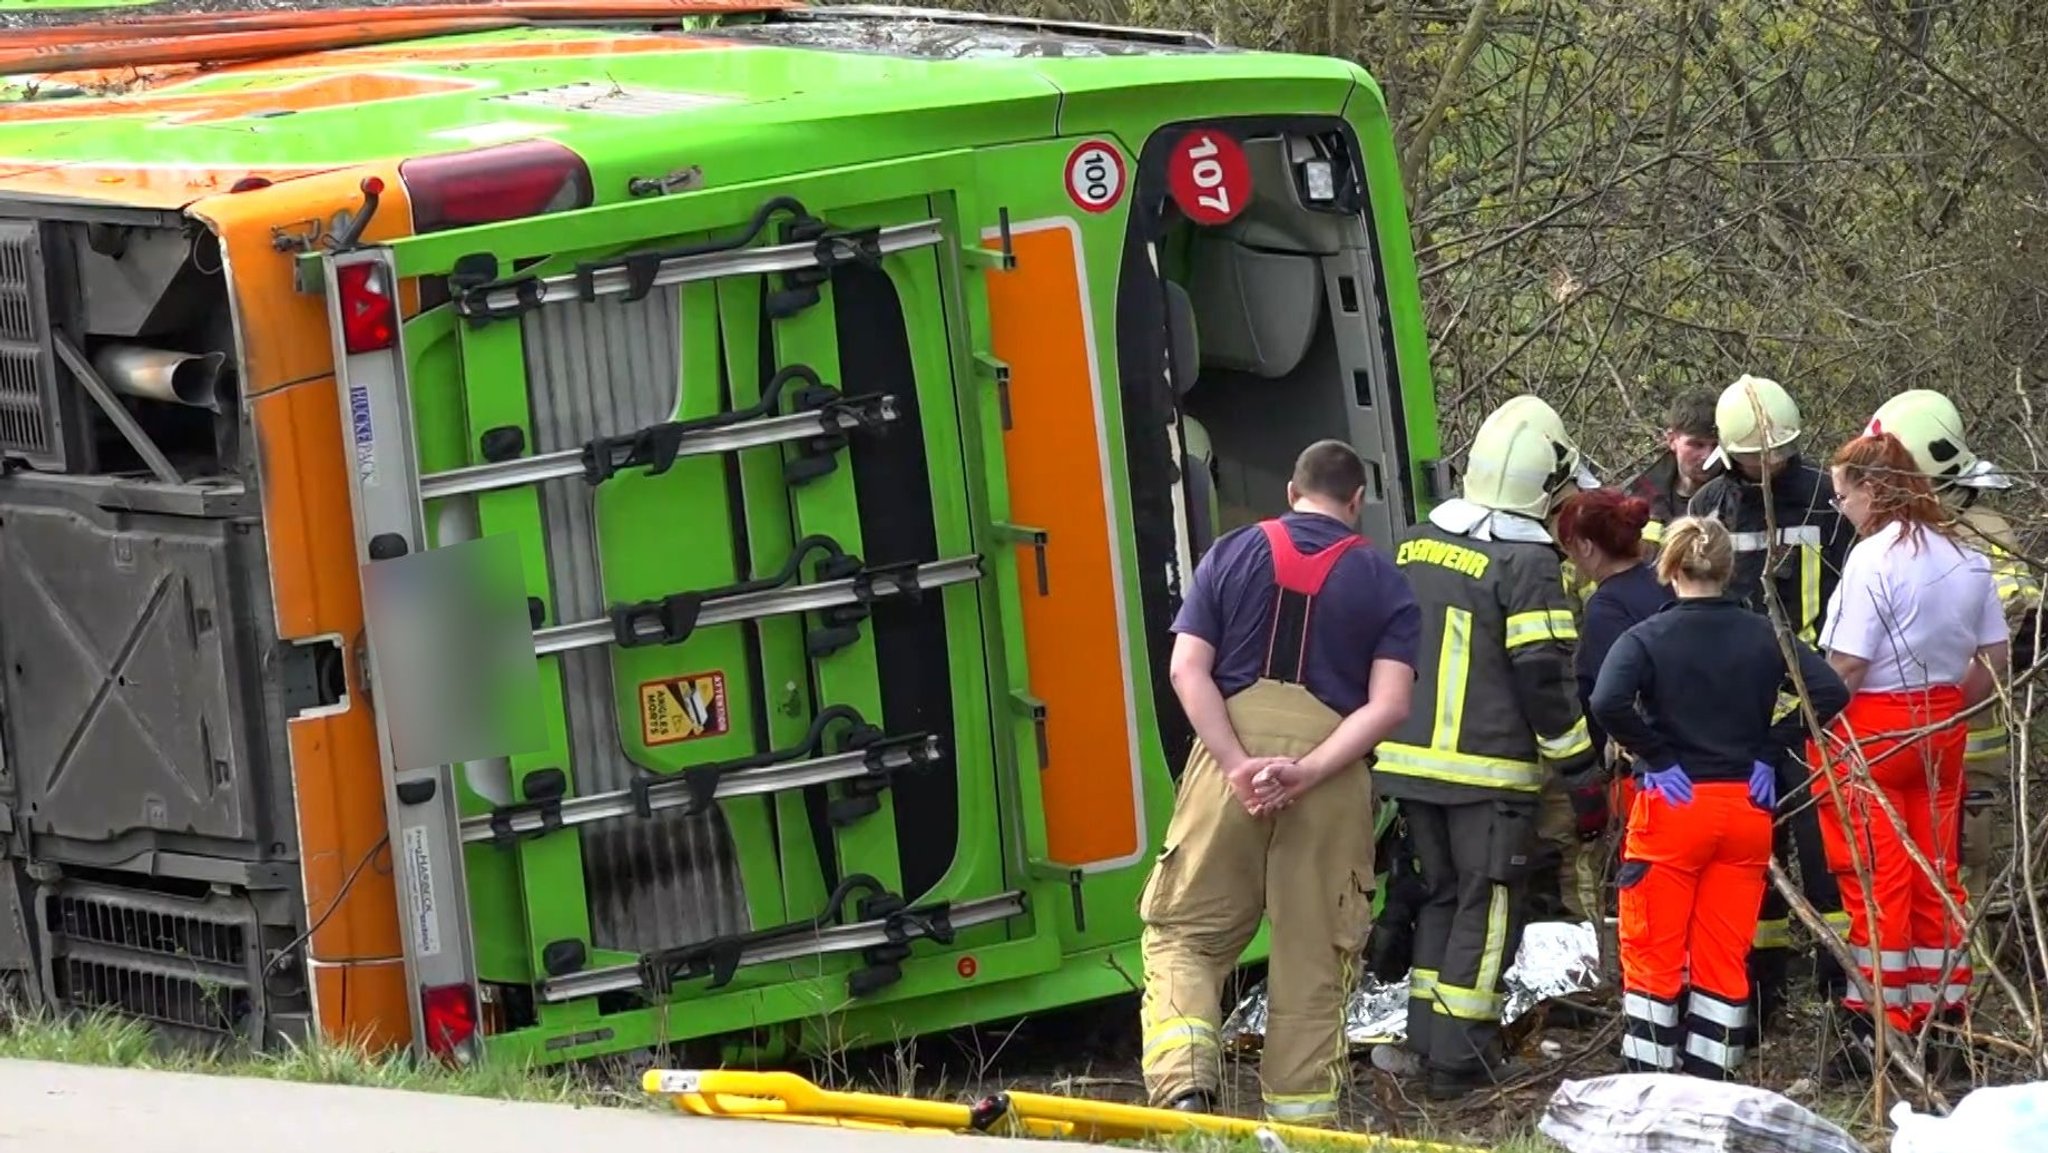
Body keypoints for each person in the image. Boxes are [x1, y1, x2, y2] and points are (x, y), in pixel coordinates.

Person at [1137, 439, 1421, 1126]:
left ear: (1292, 492)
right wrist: (1312, 769)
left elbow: (1186, 669)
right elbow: (1389, 706)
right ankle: (1301, 1122)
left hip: (1225, 770)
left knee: (1185, 936)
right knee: (1313, 953)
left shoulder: (1231, 553)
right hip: (1328, 781)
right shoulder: (1384, 580)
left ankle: (1185, 1093)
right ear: (1356, 502)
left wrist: (1236, 762)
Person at [1376, 394, 1599, 1100]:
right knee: (1486, 902)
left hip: (1407, 765)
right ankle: (1460, 1057)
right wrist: (1580, 763)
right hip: (1489, 771)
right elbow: (1544, 675)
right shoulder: (1527, 561)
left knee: (1439, 897)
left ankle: (1424, 1038)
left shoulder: (1416, 540)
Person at [1589, 516, 1850, 1081]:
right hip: (1745, 809)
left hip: (1675, 807)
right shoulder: (1762, 633)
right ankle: (1712, 1085)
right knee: (1725, 953)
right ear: (1730, 570)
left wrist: (1655, 756)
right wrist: (1770, 748)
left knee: (1655, 953)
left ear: (1670, 568)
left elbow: (1607, 700)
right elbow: (1830, 690)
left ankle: (1650, 1087)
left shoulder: (1647, 637)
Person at [1813, 431, 2007, 1069]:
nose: (1842, 508)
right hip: (1942, 729)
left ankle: (1876, 1025)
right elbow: (1996, 663)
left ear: (1873, 490)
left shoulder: (1875, 560)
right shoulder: (1967, 557)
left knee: (1877, 881)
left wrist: (1805, 726)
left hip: (1871, 729)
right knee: (1937, 876)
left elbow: (1845, 665)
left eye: (1844, 495)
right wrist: (1946, 705)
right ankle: (1944, 1016)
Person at [1685, 373, 1854, 1024]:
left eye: (1779, 453)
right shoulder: (1710, 502)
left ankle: (1839, 987)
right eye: (1759, 456)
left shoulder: (1822, 499)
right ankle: (1758, 992)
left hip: (1814, 696)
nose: (1770, 466)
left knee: (1824, 854)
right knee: (1748, 856)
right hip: (1736, 702)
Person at [1863, 390, 2042, 919]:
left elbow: (2018, 631)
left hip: (1968, 739)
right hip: (1908, 739)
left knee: (1963, 871)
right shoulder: (1900, 533)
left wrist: (1956, 702)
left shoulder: (1984, 533)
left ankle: (1966, 986)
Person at [1622, 389, 1725, 546]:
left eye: (1716, 446)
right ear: (1672, 440)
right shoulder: (1639, 496)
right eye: (1697, 444)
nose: (1707, 455)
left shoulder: (1737, 496)